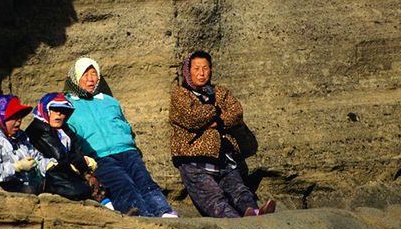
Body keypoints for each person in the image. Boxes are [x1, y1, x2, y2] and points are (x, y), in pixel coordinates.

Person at [64, 57, 177, 218]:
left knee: (144, 181)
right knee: (123, 184)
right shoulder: (68, 105)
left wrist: (126, 138)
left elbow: (124, 124)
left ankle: (164, 212)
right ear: (75, 78)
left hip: (126, 150)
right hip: (99, 156)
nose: (90, 79)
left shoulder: (109, 101)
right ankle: (142, 217)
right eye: (85, 74)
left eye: (94, 74)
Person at [169, 50, 276, 218]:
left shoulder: (220, 91)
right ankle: (237, 223)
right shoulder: (179, 94)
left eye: (205, 68)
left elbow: (236, 113)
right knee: (214, 199)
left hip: (225, 158)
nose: (201, 73)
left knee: (240, 191)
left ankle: (254, 213)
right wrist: (216, 109)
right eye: (196, 68)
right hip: (194, 160)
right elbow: (192, 117)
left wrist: (216, 122)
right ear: (187, 71)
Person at [26, 92, 110, 205]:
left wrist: (87, 171)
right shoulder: (38, 130)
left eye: (64, 111)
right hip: (51, 175)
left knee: (100, 186)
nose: (59, 114)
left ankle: (114, 214)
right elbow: (59, 157)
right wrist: (83, 165)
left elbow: (75, 151)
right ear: (46, 110)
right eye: (55, 109)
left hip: (66, 171)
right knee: (83, 190)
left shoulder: (64, 130)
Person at [0, 94, 54, 194]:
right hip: (6, 197)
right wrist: (16, 167)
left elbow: (36, 158)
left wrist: (51, 165)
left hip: (30, 189)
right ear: (1, 117)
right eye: (14, 116)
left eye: (20, 116)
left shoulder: (20, 137)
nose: (19, 120)